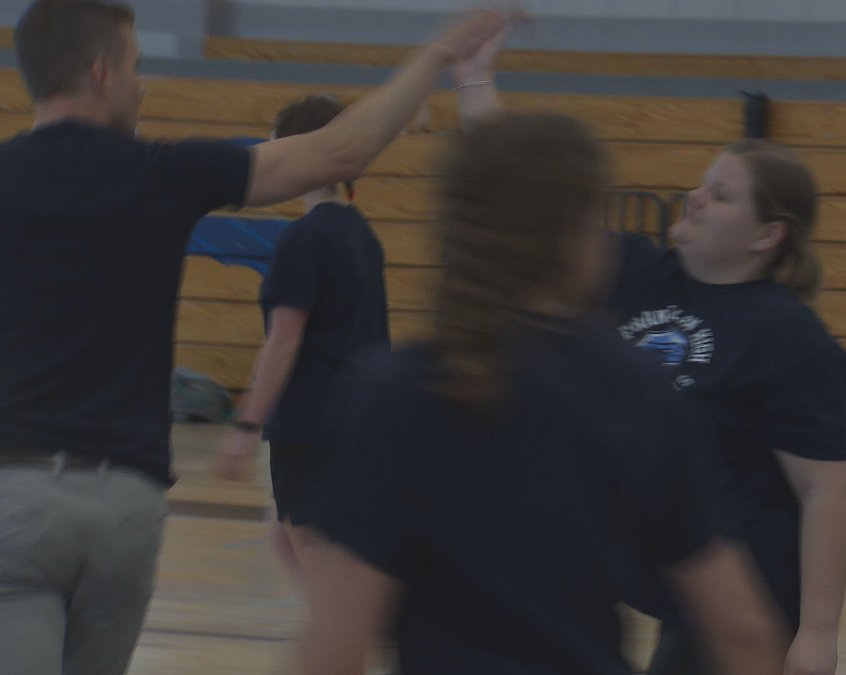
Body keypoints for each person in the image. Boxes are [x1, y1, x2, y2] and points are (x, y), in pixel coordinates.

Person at [0, 1, 510, 673]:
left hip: (20, 489)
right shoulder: (163, 170)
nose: (142, 84)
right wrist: (440, 55)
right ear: (99, 73)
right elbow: (341, 149)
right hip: (125, 502)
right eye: (134, 67)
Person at [287, 111, 790, 675]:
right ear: (579, 236)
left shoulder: (395, 392)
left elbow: (333, 651)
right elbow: (743, 633)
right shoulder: (641, 392)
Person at [213, 27, 508, 581]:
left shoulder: (303, 240)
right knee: (286, 533)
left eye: (274, 144)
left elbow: (285, 338)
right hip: (356, 418)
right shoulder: (360, 232)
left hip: (308, 424)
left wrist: (246, 424)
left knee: (312, 551)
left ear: (297, 149)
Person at [611, 142, 846, 675]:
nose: (694, 199)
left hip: (744, 593)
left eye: (720, 195)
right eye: (701, 184)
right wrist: (474, 81)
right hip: (657, 572)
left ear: (766, 235)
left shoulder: (790, 338)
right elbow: (528, 208)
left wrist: (818, 634)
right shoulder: (639, 274)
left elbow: (825, 490)